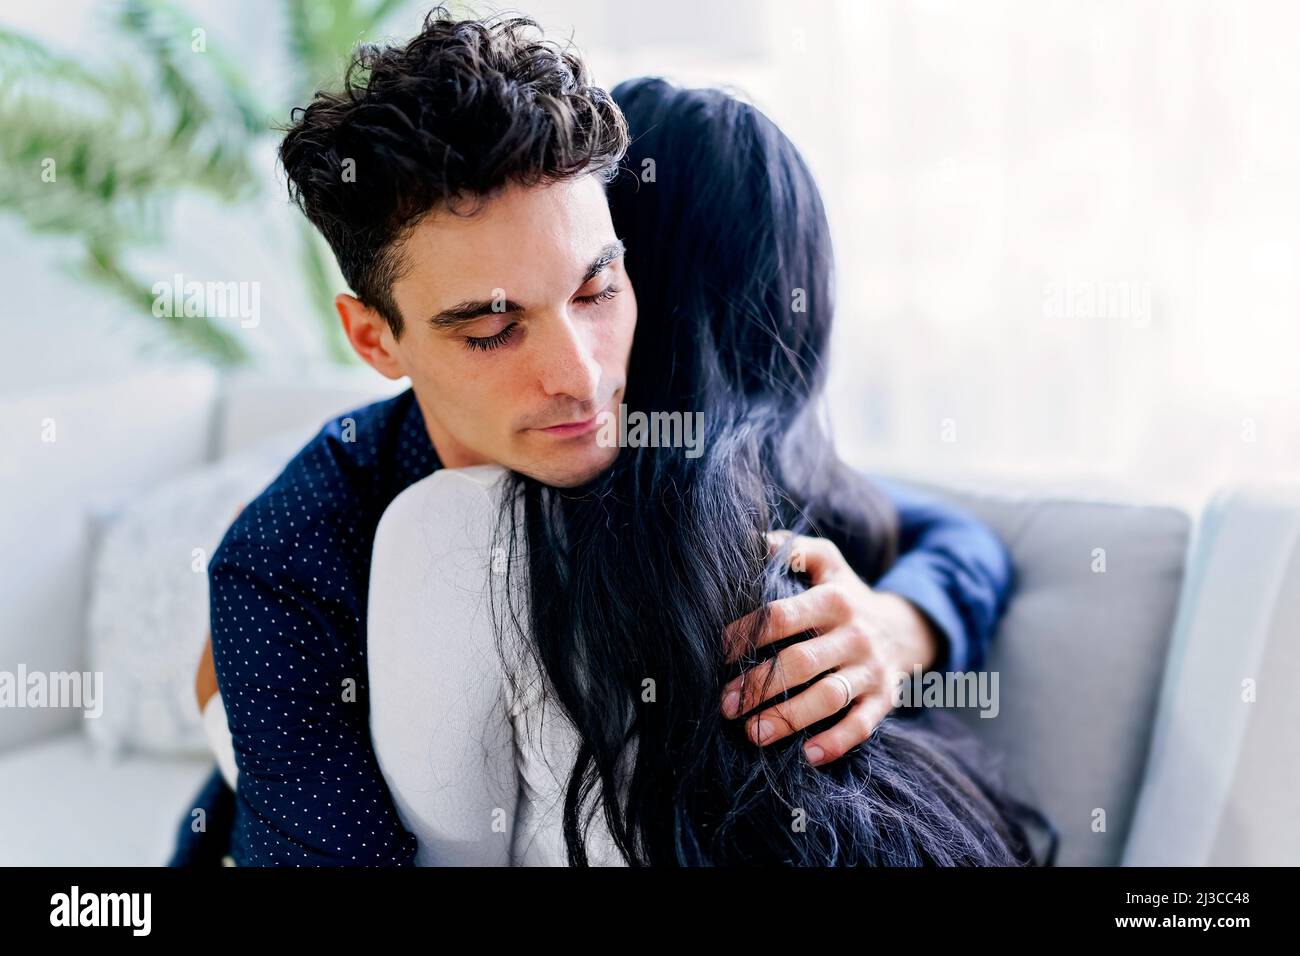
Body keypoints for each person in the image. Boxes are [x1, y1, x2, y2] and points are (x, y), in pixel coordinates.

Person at [171, 9, 1017, 867]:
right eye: (492, 328)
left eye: (596, 288)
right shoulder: (292, 560)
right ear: (374, 340)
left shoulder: (673, 450)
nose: (579, 376)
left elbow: (954, 534)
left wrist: (900, 628)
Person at [366, 77, 1054, 866]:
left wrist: (898, 630)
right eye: (492, 326)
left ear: (621, 272)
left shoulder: (468, 526)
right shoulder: (793, 501)